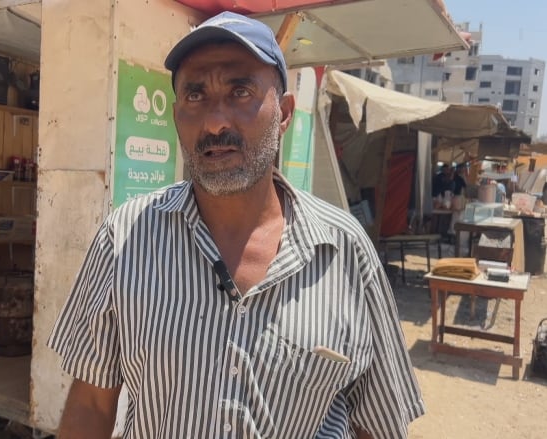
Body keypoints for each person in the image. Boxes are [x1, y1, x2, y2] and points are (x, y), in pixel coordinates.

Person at [48, 11, 424, 439]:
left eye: (240, 91)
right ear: (175, 117)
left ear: (283, 114)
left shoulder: (345, 251)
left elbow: (377, 425)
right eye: (195, 96)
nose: (214, 122)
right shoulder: (125, 238)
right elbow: (90, 405)